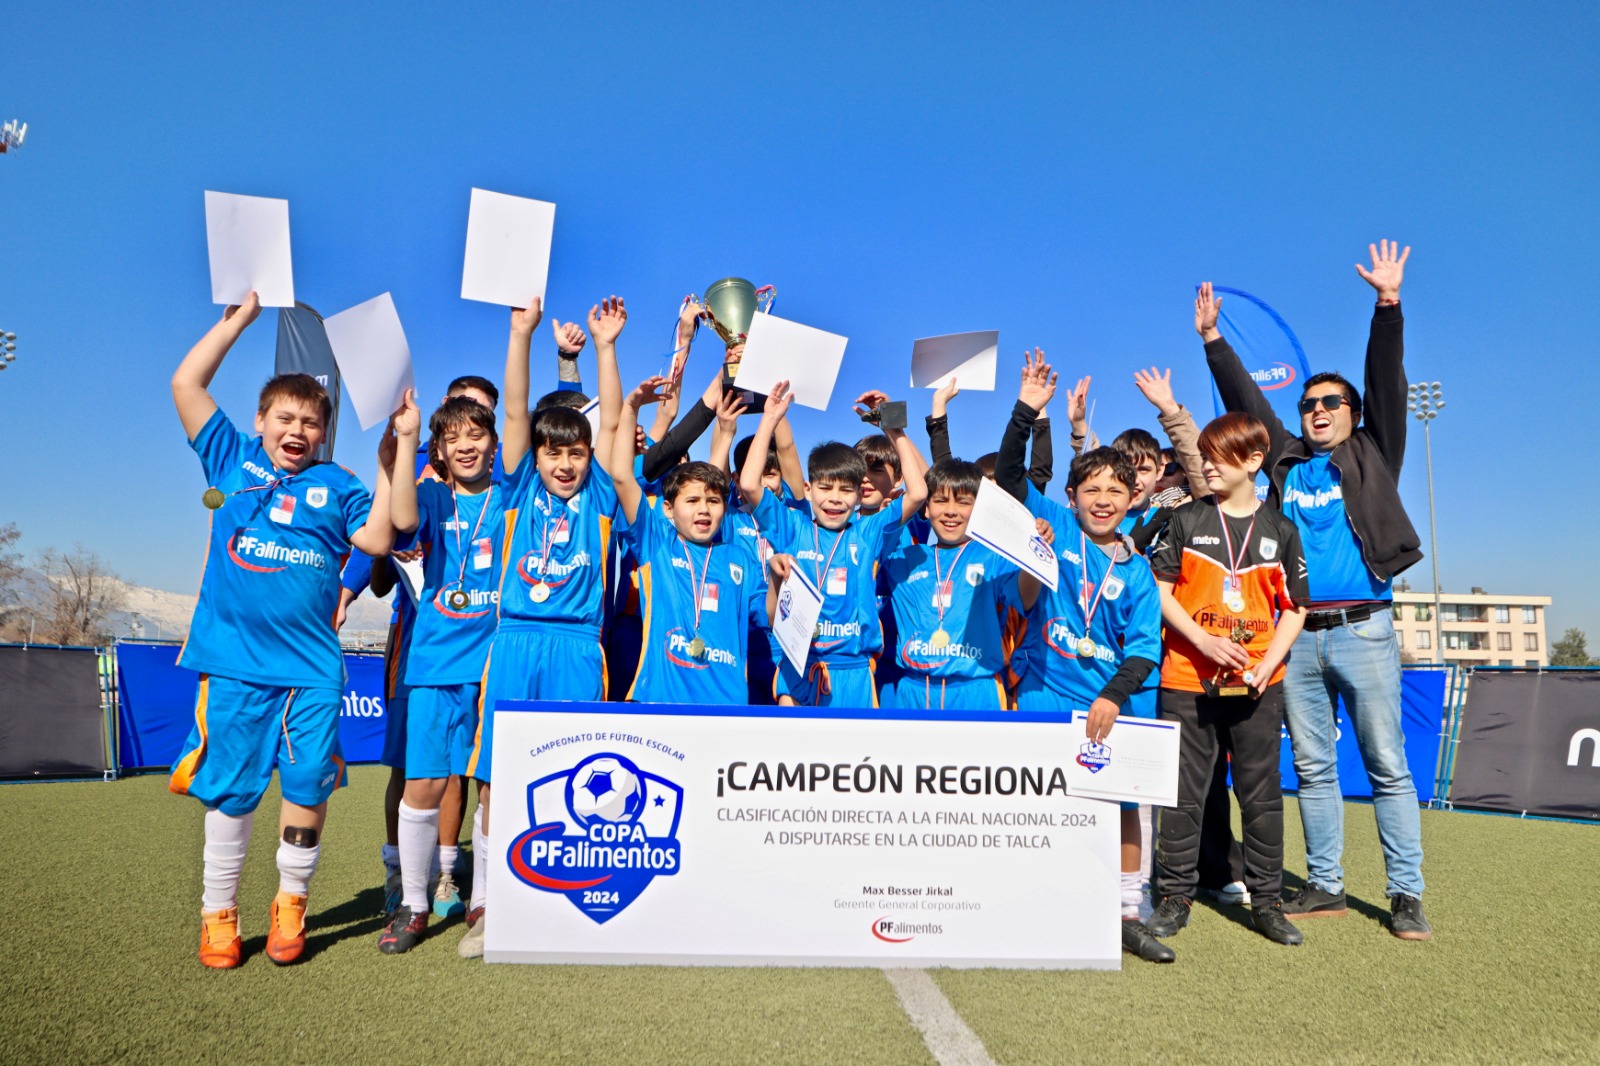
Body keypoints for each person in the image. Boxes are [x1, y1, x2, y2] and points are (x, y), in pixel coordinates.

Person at [1198, 240, 1431, 940]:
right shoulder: (1286, 464)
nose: (1318, 410)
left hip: (1364, 630)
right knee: (1314, 766)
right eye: (1308, 404)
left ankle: (1405, 894)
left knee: (1388, 764)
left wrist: (1387, 306)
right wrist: (1212, 340)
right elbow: (1247, 404)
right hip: (1295, 639)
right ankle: (1326, 884)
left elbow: (1384, 379)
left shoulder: (1372, 452)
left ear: (1354, 414)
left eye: (1331, 403)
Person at [167, 292, 397, 969]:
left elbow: (379, 535)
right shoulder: (230, 458)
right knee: (232, 794)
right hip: (236, 666)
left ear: (323, 433)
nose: (296, 429)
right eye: (284, 417)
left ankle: (290, 903)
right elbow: (186, 383)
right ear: (261, 420)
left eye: (309, 421)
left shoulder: (338, 483)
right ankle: (219, 914)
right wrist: (236, 322)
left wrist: (392, 459)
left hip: (313, 674)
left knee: (305, 791)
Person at [458, 295, 626, 958]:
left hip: (579, 647)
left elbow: (612, 421)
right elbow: (516, 410)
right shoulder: (519, 485)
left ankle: (559, 892)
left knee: (574, 771)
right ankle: (488, 899)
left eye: (575, 453)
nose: (563, 463)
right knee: (498, 773)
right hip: (517, 638)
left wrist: (606, 349)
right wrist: (519, 334)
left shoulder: (603, 495)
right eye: (554, 452)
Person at [995, 350, 1171, 963]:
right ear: (1070, 497)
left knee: (1122, 808)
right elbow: (1012, 480)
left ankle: (1127, 909)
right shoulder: (1055, 528)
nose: (1103, 499)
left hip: (1110, 705)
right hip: (1045, 691)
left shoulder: (1140, 572)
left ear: (1132, 500)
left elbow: (1146, 648)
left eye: (1115, 490)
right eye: (1091, 489)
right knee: (1044, 803)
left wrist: (1112, 696)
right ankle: (1040, 900)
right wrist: (1026, 412)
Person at [1145, 412, 1309, 947]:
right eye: (1206, 454)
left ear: (1254, 462)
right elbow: (1161, 594)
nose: (1208, 464)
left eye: (1220, 456)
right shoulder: (1186, 520)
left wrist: (1267, 664)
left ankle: (1267, 904)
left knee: (1261, 796)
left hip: (1259, 683)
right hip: (1188, 676)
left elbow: (1296, 609)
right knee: (1184, 795)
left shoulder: (1281, 530)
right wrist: (1205, 641)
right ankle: (1174, 898)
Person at [377, 393, 506, 954]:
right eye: (452, 439)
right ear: (440, 451)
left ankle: (485, 899)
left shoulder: (514, 497)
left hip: (494, 665)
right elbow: (401, 520)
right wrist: (405, 439)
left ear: (494, 445)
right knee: (423, 783)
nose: (465, 446)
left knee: (491, 789)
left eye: (476, 435)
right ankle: (414, 902)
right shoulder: (430, 495)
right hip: (433, 663)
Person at [740, 382, 928, 707]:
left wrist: (894, 428)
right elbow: (747, 484)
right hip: (798, 665)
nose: (835, 499)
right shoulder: (791, 526)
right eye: (826, 488)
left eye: (845, 491)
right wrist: (768, 419)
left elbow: (918, 493)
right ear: (809, 489)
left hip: (853, 670)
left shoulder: (866, 532)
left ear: (859, 495)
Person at [603, 376, 768, 704]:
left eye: (713, 502)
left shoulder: (740, 558)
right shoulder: (656, 542)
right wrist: (632, 408)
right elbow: (621, 476)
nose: (703, 510)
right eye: (691, 502)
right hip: (661, 699)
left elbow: (769, 616)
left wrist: (777, 579)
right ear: (668, 508)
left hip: (725, 706)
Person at [879, 459, 1022, 710]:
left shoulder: (994, 557)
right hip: (913, 692)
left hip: (975, 691)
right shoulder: (906, 559)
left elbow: (1027, 598)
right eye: (941, 501)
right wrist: (895, 433)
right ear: (926, 508)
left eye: (963, 502)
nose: (951, 511)